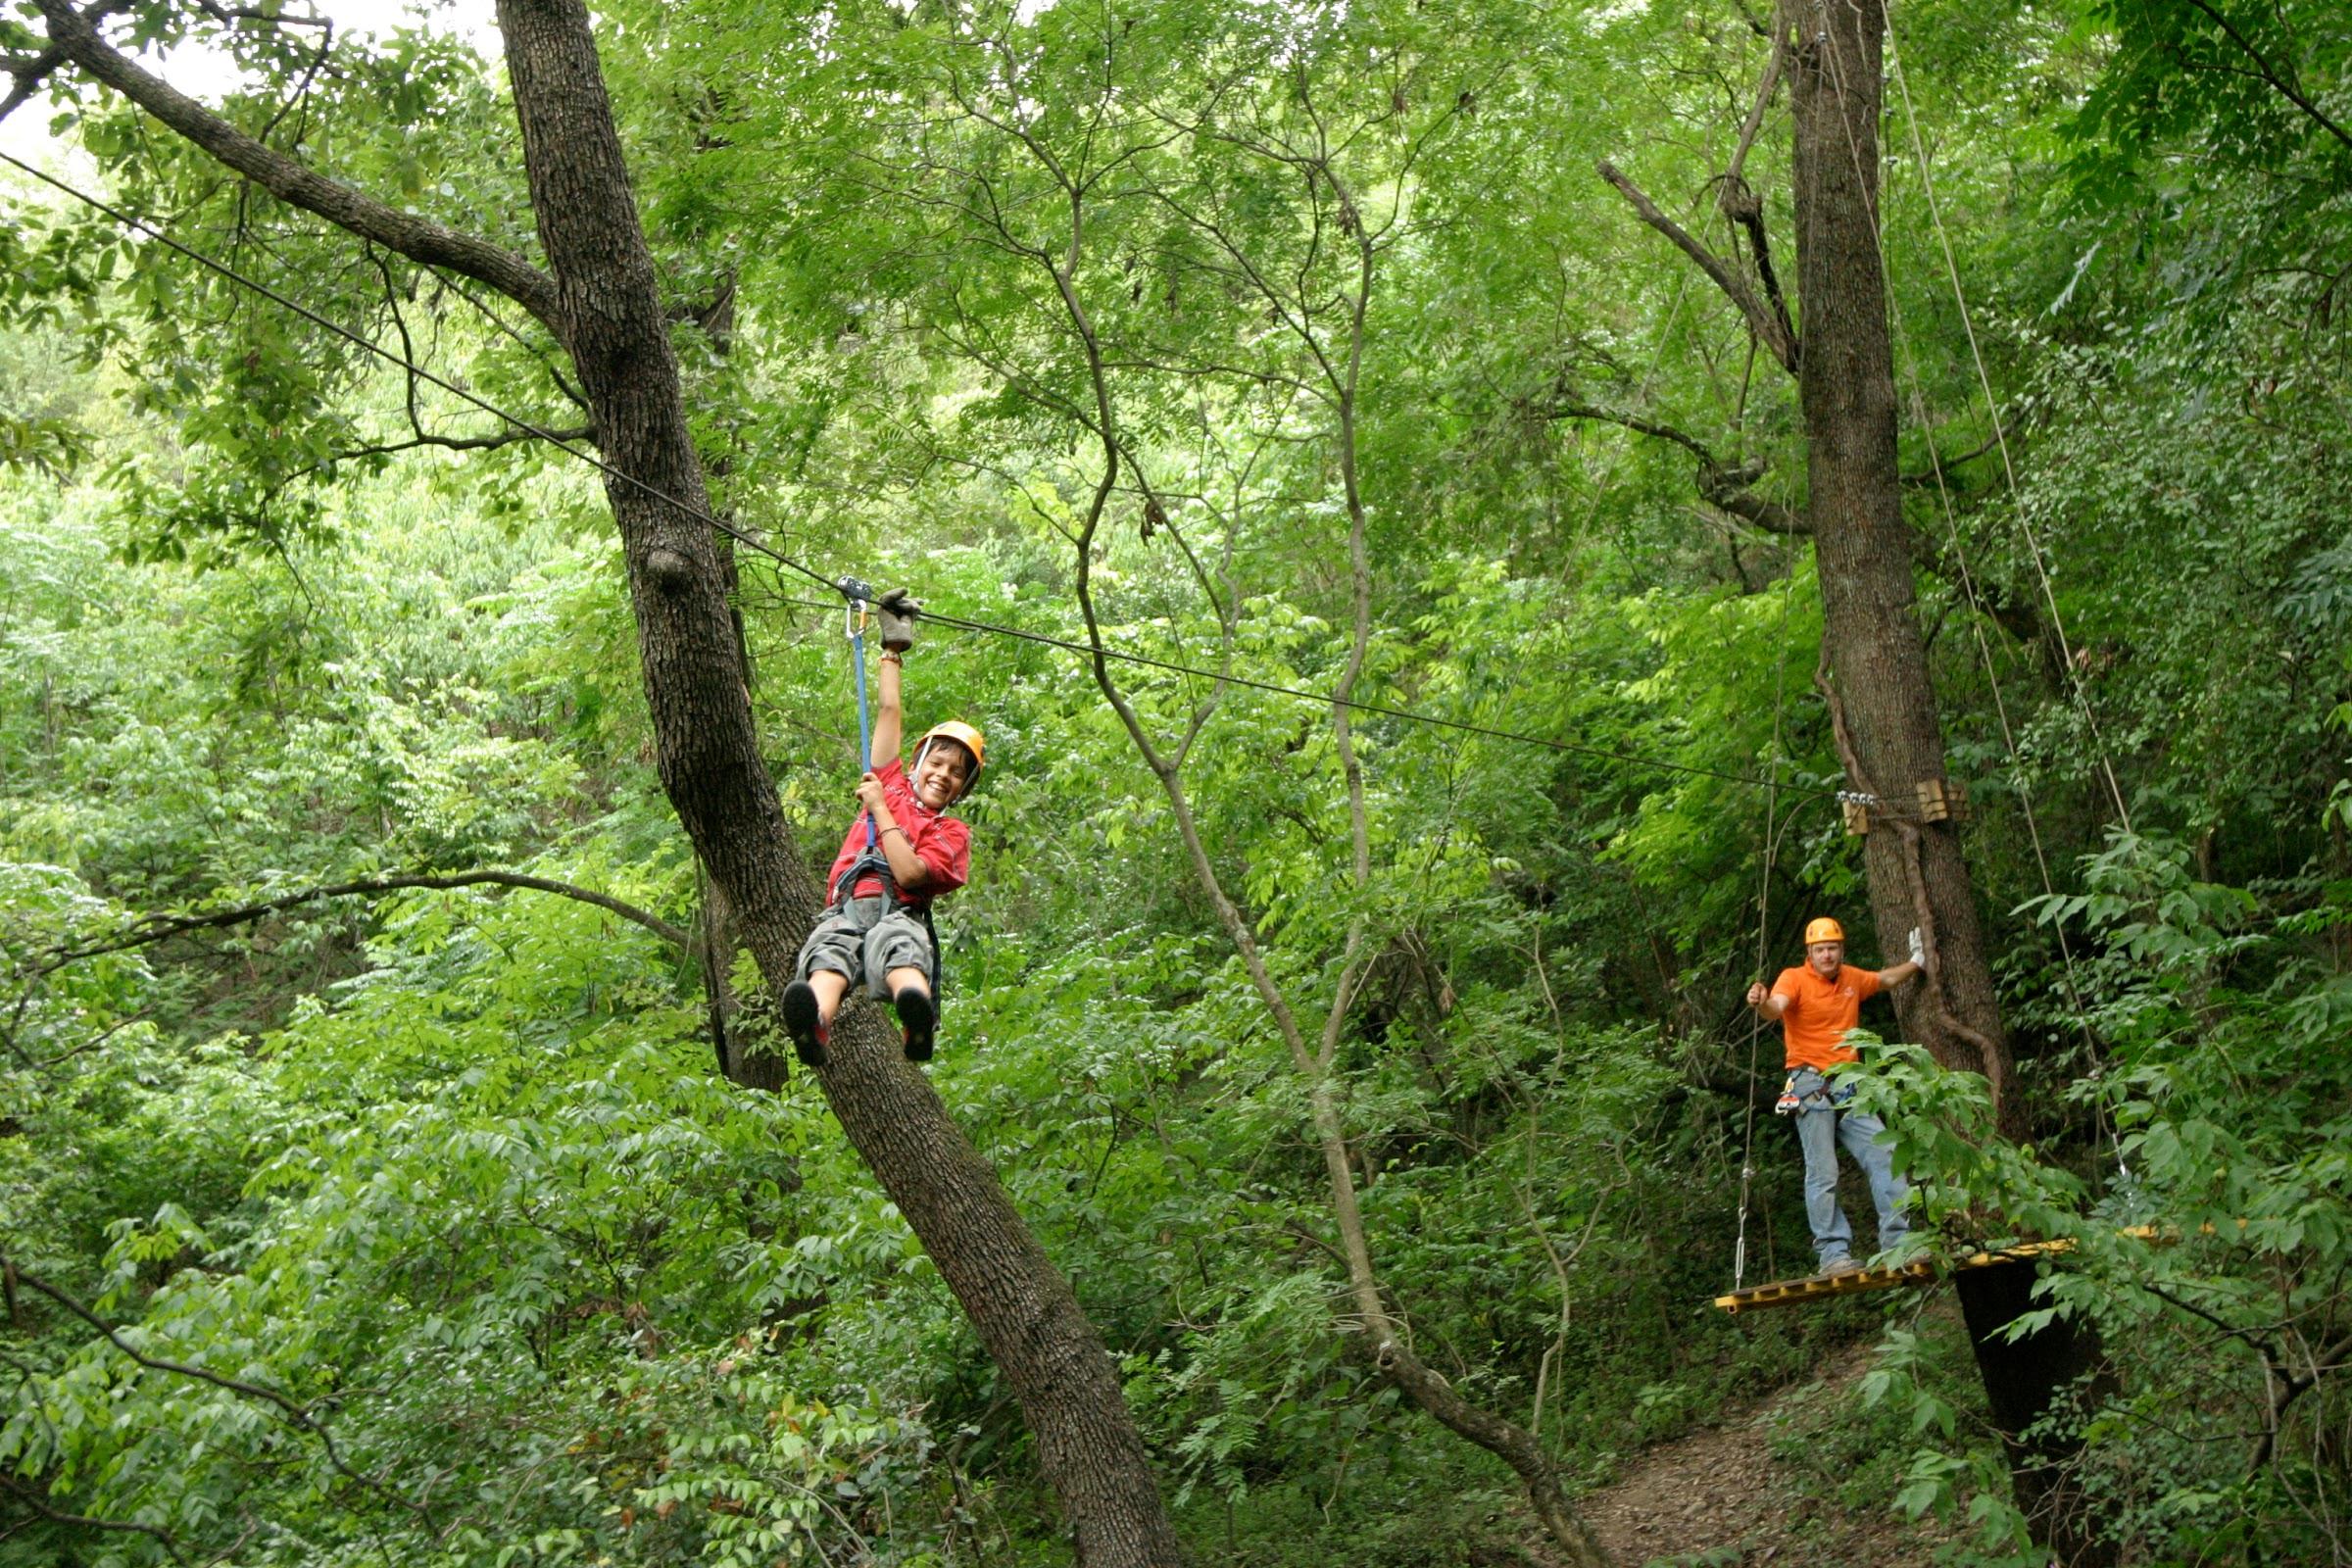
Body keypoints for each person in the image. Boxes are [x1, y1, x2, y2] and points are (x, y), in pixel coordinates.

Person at [780, 591, 983, 1068]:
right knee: (830, 951)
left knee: (898, 947)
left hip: (898, 909)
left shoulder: (950, 832)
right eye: (937, 762)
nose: (943, 775)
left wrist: (880, 810)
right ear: (917, 762)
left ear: (962, 790)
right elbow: (888, 712)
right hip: (847, 905)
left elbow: (911, 874)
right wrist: (892, 650)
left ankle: (916, 1015)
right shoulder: (889, 780)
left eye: (956, 773)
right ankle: (816, 1025)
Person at [1744, 916, 1924, 1278]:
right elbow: (1776, 1007)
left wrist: (1917, 961)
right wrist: (1760, 1002)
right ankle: (1832, 1254)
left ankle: (1900, 1242)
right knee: (1824, 1171)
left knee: (1886, 1154)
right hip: (1810, 1084)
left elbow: (1886, 979)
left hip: (1852, 1084)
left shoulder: (1851, 979)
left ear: (1841, 950)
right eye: (1820, 949)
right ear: (1809, 953)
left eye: (1832, 948)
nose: (1827, 955)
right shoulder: (1794, 979)